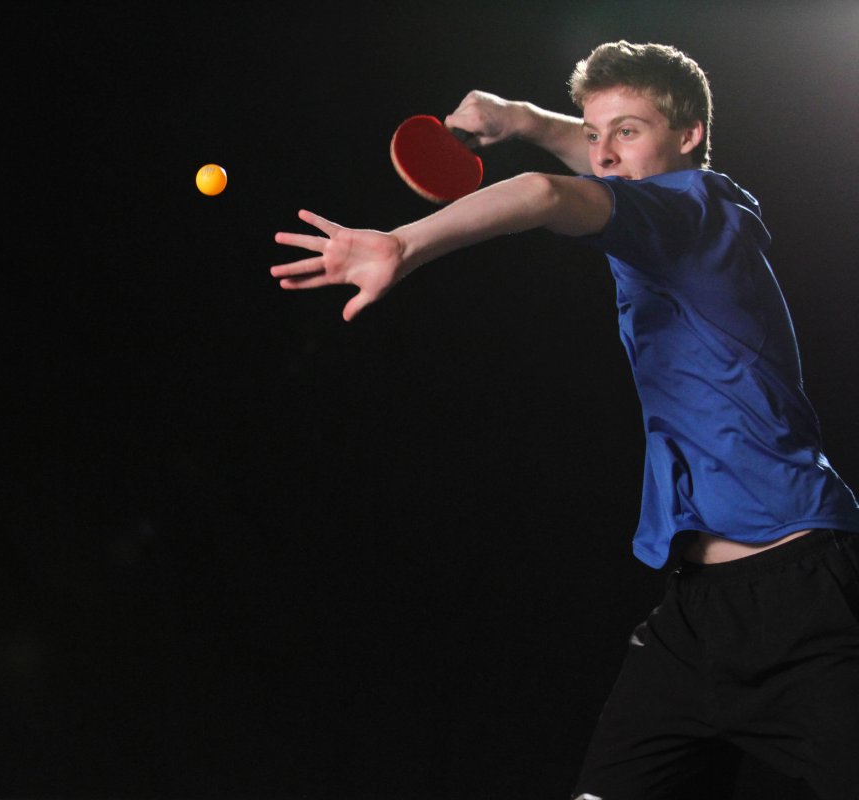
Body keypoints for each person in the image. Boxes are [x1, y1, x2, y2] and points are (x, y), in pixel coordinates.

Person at [271, 41, 859, 800]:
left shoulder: (691, 214)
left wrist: (403, 244)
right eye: (593, 133)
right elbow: (605, 160)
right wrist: (519, 118)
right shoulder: (663, 213)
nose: (604, 152)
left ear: (690, 135)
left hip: (803, 598)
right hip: (696, 614)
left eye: (629, 131)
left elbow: (545, 194)